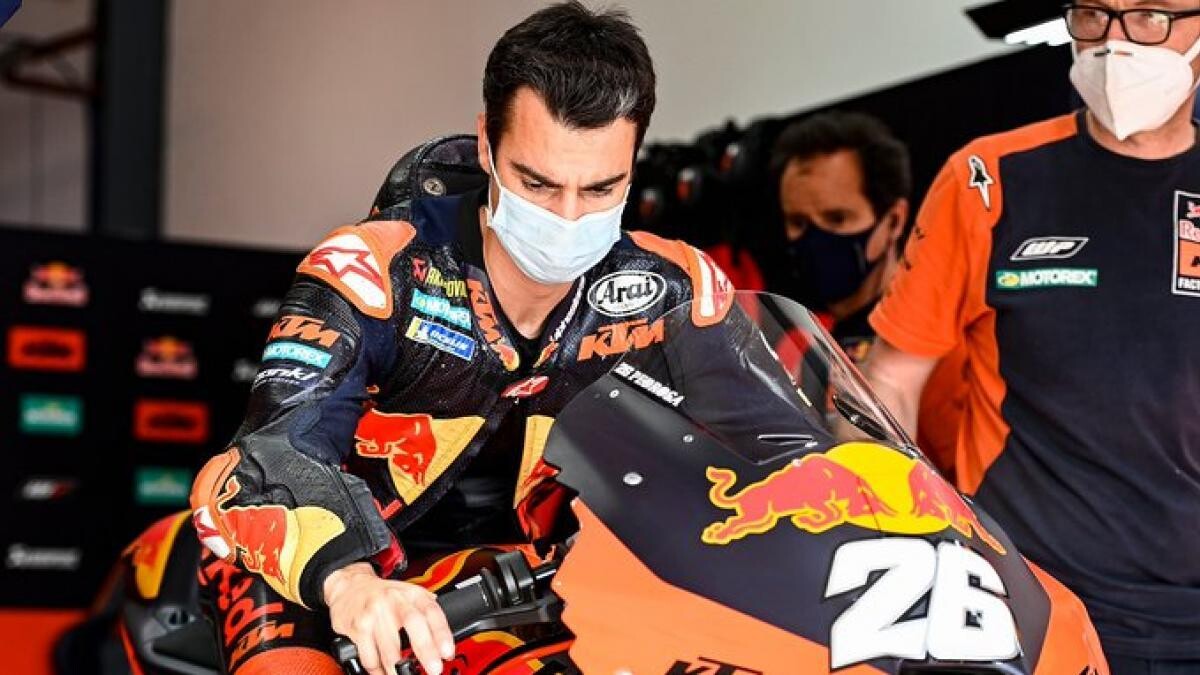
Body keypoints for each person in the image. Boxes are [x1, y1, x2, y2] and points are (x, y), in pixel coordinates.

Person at [186, 4, 733, 675]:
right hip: (322, 566)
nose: (568, 216)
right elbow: (270, 453)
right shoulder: (374, 267)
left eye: (601, 188)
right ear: (485, 145)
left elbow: (782, 448)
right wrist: (351, 582)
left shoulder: (678, 288)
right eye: (537, 183)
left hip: (547, 575)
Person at [863, 2, 1200, 671]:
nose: (1115, 44)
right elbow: (890, 379)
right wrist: (902, 526)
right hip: (1031, 606)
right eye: (1093, 15)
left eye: (1149, 18)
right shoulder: (988, 178)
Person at [771, 111, 965, 475]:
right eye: (798, 223)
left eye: (837, 219)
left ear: (894, 220)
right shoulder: (797, 342)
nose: (815, 239)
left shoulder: (937, 347)